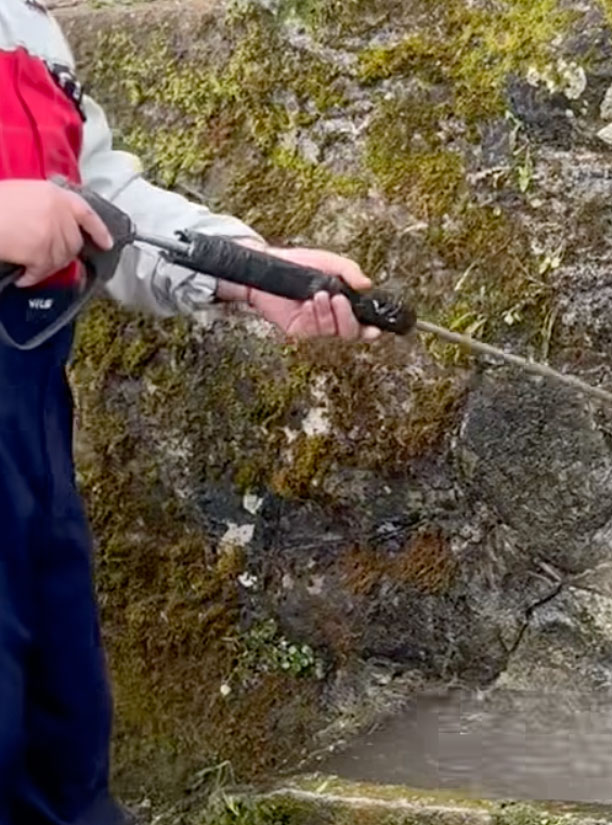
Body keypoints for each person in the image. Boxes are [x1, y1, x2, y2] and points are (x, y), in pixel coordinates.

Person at [0, 2, 378, 822]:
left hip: (26, 418)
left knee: (57, 745)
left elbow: (104, 206)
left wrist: (250, 272)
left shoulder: (27, 28)